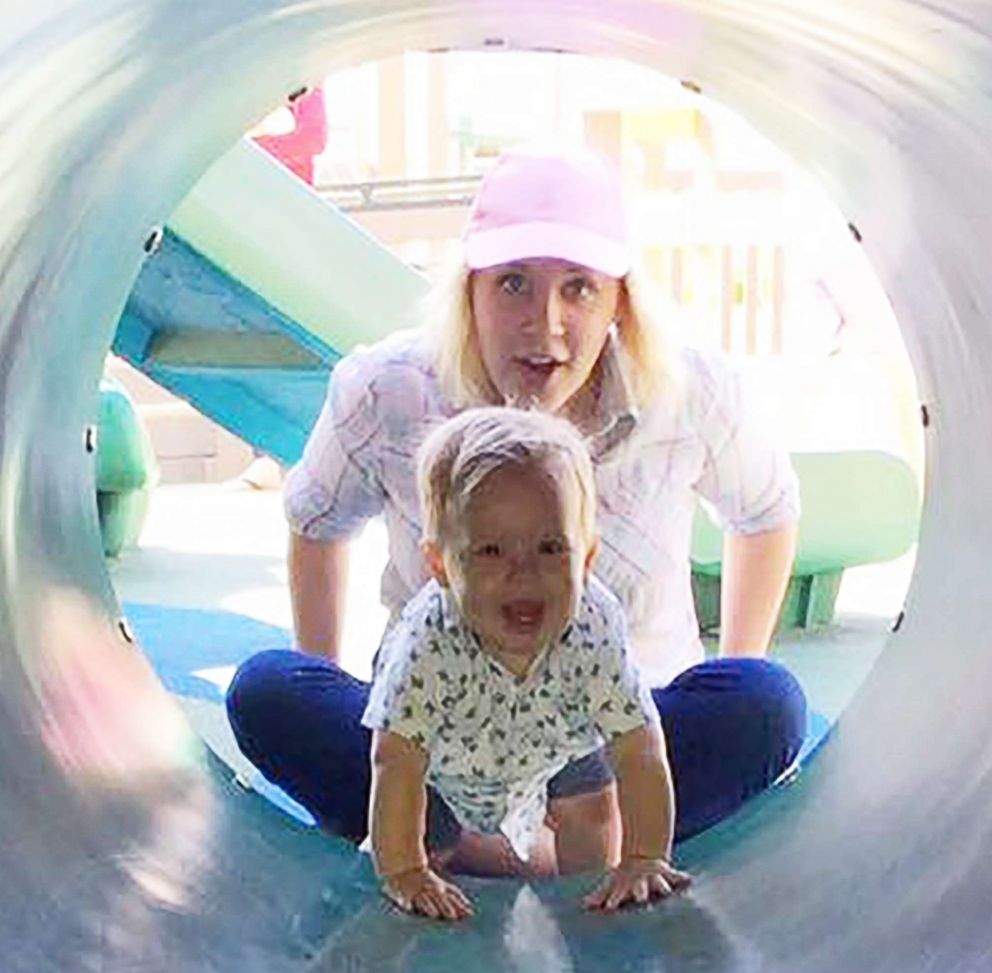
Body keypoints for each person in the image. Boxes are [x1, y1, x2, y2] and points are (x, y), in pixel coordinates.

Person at [226, 142, 807, 856]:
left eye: (579, 288)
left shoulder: (689, 392)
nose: (546, 322)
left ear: (618, 299)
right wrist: (329, 686)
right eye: (513, 285)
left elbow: (768, 511)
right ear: (469, 289)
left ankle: (499, 846)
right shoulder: (389, 387)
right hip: (433, 741)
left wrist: (732, 662)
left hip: (625, 734)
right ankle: (459, 831)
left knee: (768, 701)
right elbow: (313, 518)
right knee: (270, 688)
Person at [366, 405, 691, 920]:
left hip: (553, 734)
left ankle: (585, 900)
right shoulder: (427, 639)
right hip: (448, 758)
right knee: (426, 832)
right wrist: (402, 869)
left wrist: (645, 855)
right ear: (441, 565)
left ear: (586, 557)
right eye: (491, 550)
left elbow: (638, 747)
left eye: (550, 547)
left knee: (592, 802)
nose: (523, 574)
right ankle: (456, 852)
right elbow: (397, 759)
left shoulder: (592, 623)